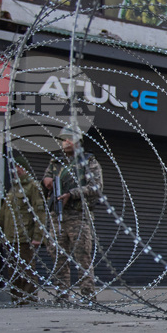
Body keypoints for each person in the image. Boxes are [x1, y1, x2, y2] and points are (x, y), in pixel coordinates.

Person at [0, 152, 47, 305]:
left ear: (24, 168)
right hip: (11, 238)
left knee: (27, 271)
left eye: (18, 166)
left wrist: (38, 236)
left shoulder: (33, 187)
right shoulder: (12, 191)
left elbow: (40, 213)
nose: (15, 170)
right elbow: (1, 217)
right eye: (14, 167)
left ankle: (29, 301)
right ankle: (17, 301)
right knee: (13, 273)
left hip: (25, 238)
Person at [42, 125, 103, 301]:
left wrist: (72, 194)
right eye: (63, 139)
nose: (66, 142)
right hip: (57, 215)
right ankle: (62, 295)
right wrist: (46, 181)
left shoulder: (88, 161)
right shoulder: (55, 162)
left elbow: (96, 187)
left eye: (70, 138)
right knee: (58, 257)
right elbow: (46, 179)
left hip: (78, 215)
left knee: (82, 256)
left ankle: (87, 295)